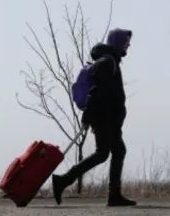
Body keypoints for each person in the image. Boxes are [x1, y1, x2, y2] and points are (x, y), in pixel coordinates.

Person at [51, 28, 137, 207]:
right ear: (118, 42)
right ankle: (63, 181)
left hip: (110, 119)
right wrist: (89, 117)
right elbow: (97, 92)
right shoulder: (107, 62)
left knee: (117, 151)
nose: (128, 45)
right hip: (104, 118)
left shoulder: (109, 61)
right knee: (102, 154)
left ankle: (114, 196)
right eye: (126, 41)